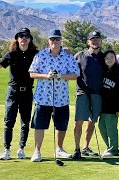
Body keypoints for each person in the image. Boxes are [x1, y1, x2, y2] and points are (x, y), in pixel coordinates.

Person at [0, 28, 38, 160]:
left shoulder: (36, 54)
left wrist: (64, 51)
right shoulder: (11, 54)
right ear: (17, 39)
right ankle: (6, 149)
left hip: (27, 92)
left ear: (30, 39)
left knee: (25, 122)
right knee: (9, 121)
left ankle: (21, 149)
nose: (23, 38)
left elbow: (49, 56)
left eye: (26, 36)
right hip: (13, 92)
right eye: (21, 36)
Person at [28, 28, 79, 162]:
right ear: (48, 41)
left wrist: (61, 76)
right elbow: (32, 73)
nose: (55, 41)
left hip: (61, 98)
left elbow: (75, 74)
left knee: (61, 126)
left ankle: (59, 149)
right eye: (52, 39)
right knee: (39, 125)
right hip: (43, 97)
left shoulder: (68, 57)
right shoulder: (41, 55)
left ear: (61, 41)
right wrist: (46, 76)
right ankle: (37, 151)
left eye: (57, 39)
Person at [72, 31, 104, 159]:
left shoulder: (104, 57)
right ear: (88, 42)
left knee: (92, 122)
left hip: (97, 94)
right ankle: (77, 149)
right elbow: (70, 68)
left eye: (97, 39)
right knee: (78, 121)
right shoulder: (80, 55)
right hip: (82, 93)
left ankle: (85, 147)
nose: (95, 41)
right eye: (92, 39)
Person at [99, 50, 119, 157]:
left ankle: (114, 149)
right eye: (107, 58)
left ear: (115, 59)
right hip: (103, 105)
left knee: (111, 128)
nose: (109, 60)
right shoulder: (102, 72)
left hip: (113, 106)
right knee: (102, 127)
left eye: (112, 57)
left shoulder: (118, 73)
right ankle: (109, 147)